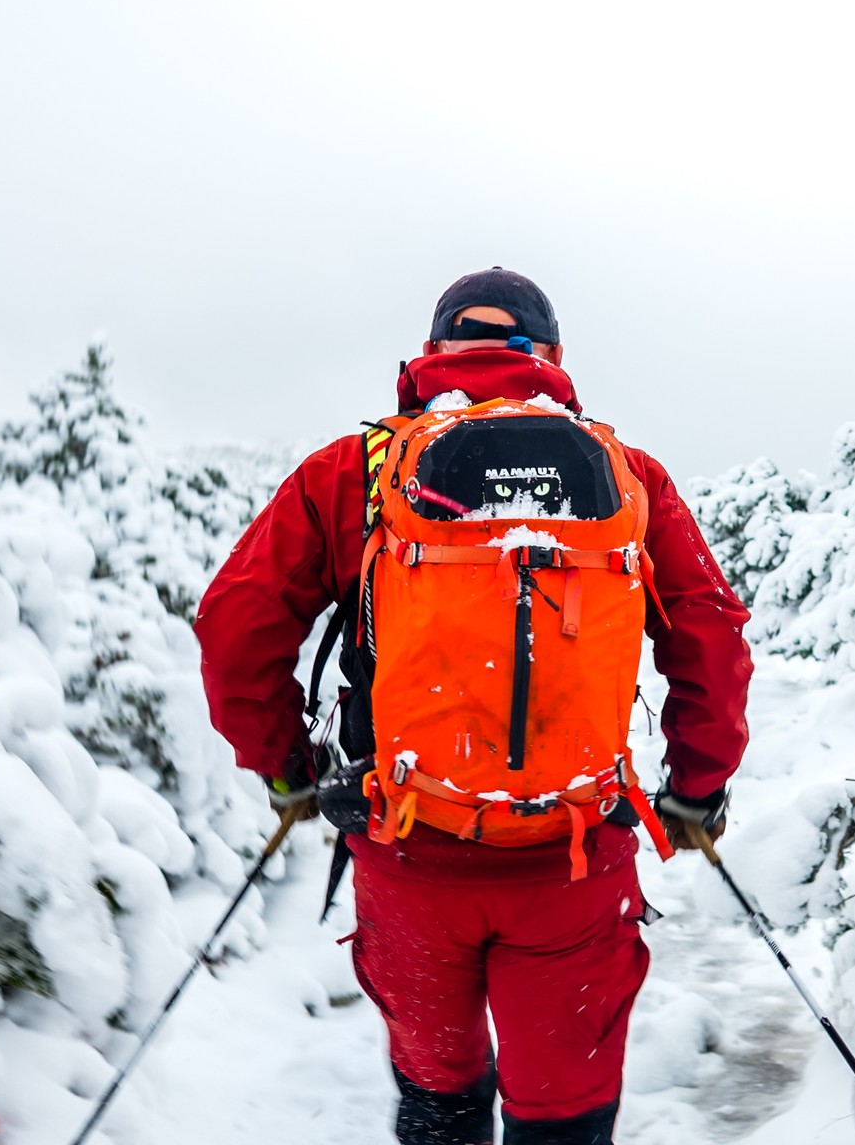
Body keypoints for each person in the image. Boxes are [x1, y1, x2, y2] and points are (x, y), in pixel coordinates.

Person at [195, 267, 753, 1145]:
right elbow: (710, 632)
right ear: (552, 356)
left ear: (434, 353)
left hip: (408, 851)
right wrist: (697, 788)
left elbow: (236, 623)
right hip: (574, 861)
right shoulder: (626, 473)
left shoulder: (357, 470)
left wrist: (288, 770)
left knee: (439, 1100)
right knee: (563, 1111)